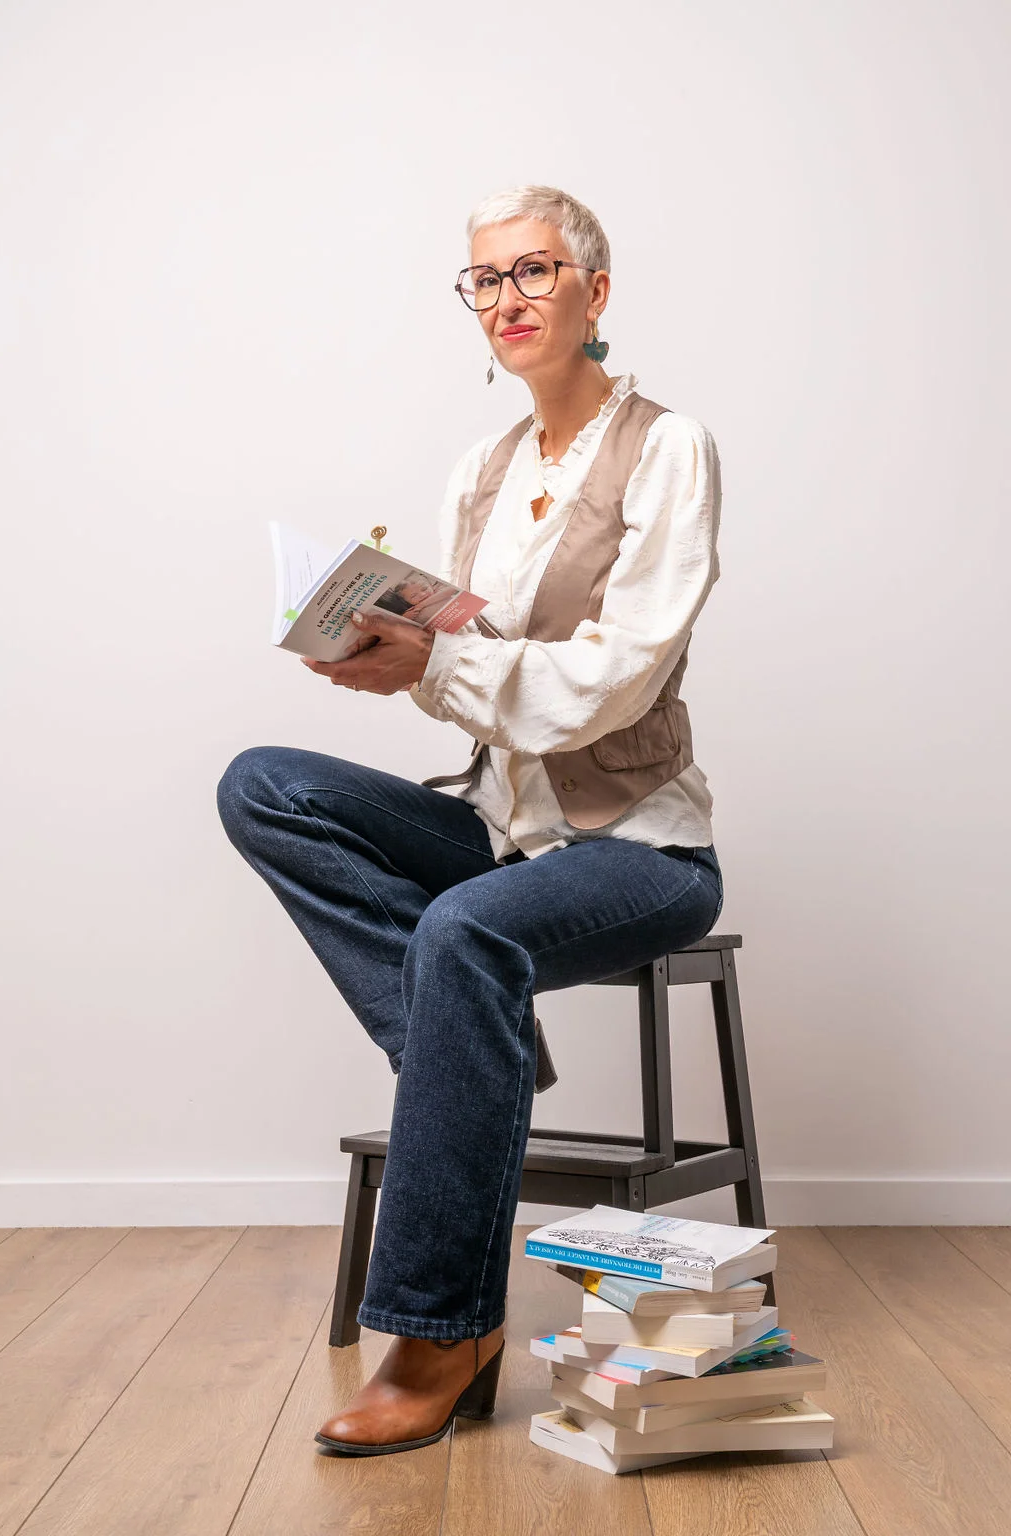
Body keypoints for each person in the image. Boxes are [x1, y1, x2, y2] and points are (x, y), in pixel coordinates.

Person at [216, 184, 725, 1457]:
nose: (507, 298)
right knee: (263, 783)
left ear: (593, 292)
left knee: (461, 938)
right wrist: (385, 644)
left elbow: (618, 677)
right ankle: (469, 1041)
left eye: (534, 270)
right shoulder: (481, 472)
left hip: (640, 847)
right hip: (503, 828)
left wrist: (435, 666)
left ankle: (440, 1333)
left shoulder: (668, 448)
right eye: (485, 279)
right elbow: (476, 666)